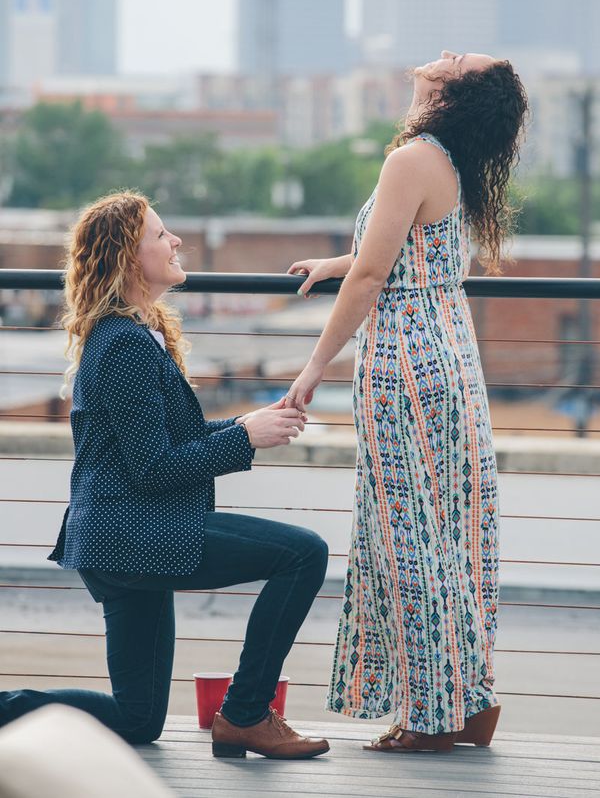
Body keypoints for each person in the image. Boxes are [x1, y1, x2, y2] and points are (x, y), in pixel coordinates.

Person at [0, 191, 330, 761]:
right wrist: (244, 439)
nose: (175, 241)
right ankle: (246, 714)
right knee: (303, 555)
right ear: (131, 258)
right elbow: (154, 470)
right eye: (160, 235)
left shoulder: (132, 334)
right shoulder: (123, 344)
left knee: (137, 720)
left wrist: (248, 423)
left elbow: (162, 445)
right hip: (136, 536)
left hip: (119, 540)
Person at [285, 51, 529, 752]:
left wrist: (312, 368)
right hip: (449, 355)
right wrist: (340, 263)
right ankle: (468, 698)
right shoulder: (443, 161)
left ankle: (430, 716)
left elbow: (371, 277)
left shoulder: (413, 158)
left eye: (459, 59)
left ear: (454, 91)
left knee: (409, 540)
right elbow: (399, 250)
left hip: (404, 363)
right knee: (449, 532)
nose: (445, 53)